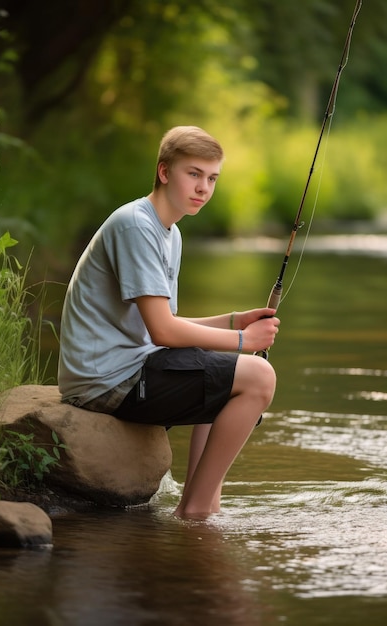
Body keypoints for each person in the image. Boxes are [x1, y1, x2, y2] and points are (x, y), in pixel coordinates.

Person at [58, 125, 280, 519]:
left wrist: (232, 323)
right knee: (259, 376)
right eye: (193, 174)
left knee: (232, 373)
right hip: (107, 379)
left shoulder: (169, 232)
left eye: (212, 178)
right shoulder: (135, 225)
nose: (203, 188)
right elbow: (164, 333)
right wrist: (244, 340)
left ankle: (205, 503)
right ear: (164, 172)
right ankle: (194, 511)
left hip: (130, 365)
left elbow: (163, 322)